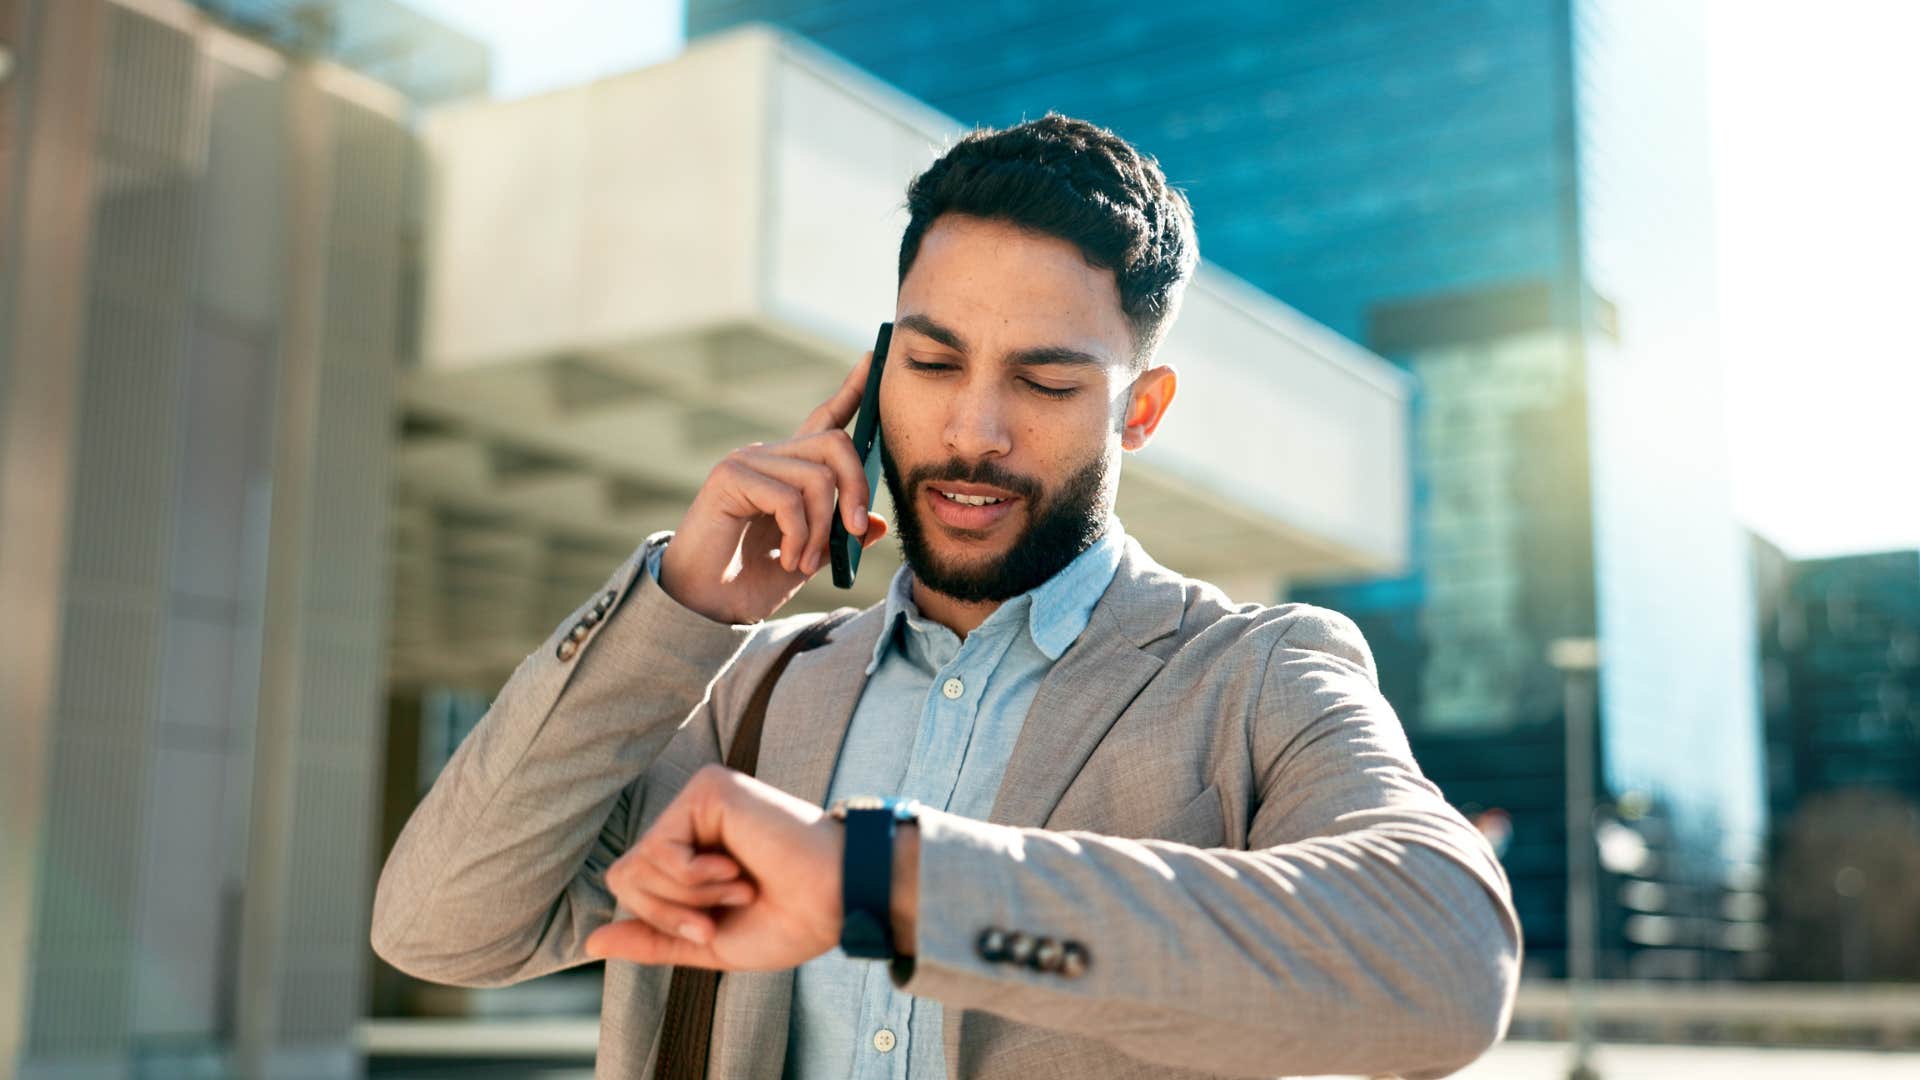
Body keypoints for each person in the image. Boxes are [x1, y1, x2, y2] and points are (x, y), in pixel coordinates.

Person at [371, 112, 1521, 1080]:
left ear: (1142, 409)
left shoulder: (1253, 676)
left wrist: (884, 884)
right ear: (874, 377)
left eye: (1046, 380)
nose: (972, 431)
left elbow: (1447, 960)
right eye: (931, 365)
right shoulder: (753, 690)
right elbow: (440, 926)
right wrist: (682, 605)